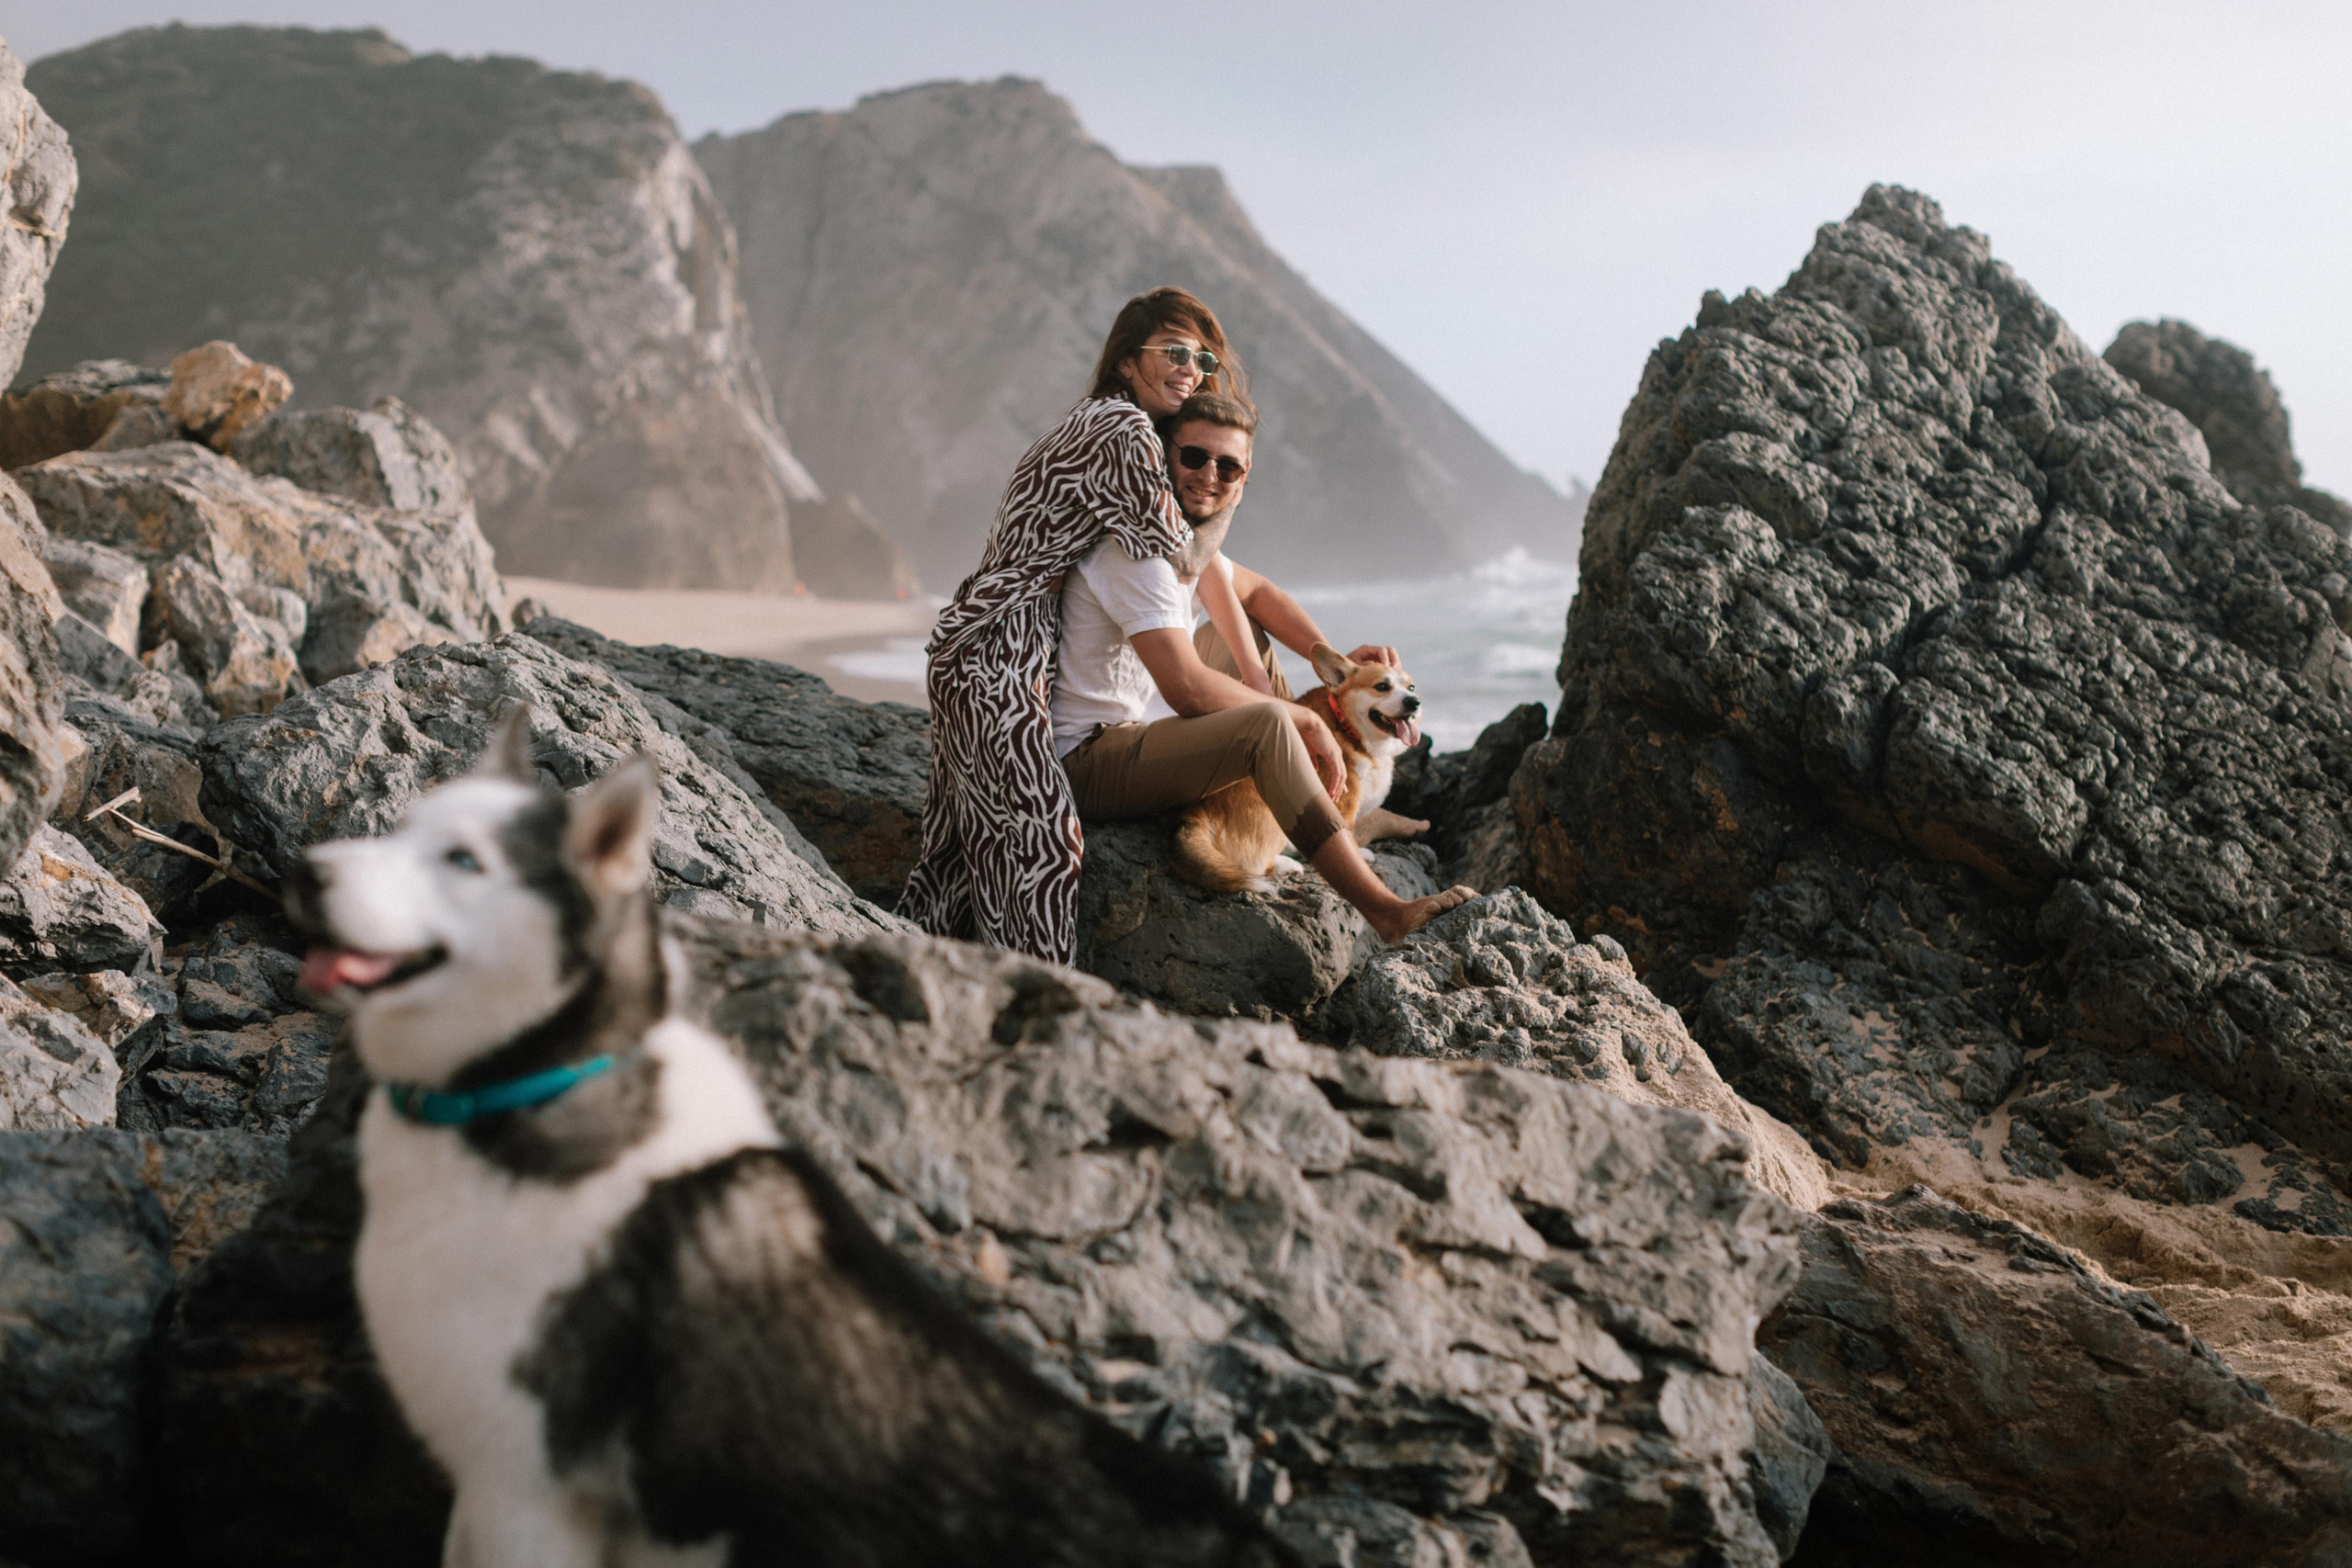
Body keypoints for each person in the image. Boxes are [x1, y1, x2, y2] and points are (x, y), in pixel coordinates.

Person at [1052, 391, 1476, 942]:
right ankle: (1386, 910)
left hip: (1136, 723)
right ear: (1163, 454)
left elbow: (1259, 594)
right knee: (1271, 724)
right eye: (1195, 457)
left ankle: (1285, 806)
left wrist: (1343, 670)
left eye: (1228, 465)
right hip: (1090, 757)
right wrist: (1300, 719)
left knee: (1249, 637)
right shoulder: (1140, 550)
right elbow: (1186, 689)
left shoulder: (1187, 543)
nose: (1210, 475)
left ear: (1244, 476)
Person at [899, 288, 1240, 964]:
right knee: (1043, 842)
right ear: (1124, 362)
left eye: (1201, 358)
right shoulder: (1123, 431)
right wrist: (1238, 486)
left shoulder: (1096, 419)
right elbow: (1182, 552)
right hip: (998, 650)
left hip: (986, 644)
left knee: (959, 855)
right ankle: (1041, 1006)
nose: (1191, 368)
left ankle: (913, 981)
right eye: (1173, 351)